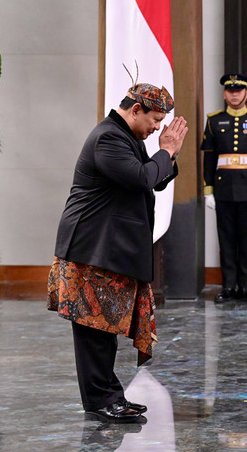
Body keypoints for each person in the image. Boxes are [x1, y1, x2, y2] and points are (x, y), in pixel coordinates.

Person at [47, 79, 188, 423]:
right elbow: (142, 178)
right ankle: (100, 400)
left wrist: (170, 153)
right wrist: (166, 150)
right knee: (94, 328)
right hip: (90, 249)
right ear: (136, 109)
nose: (157, 128)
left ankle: (110, 395)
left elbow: (152, 177)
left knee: (105, 327)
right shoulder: (109, 137)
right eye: (155, 120)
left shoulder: (126, 135)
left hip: (105, 248)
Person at [203, 73, 247, 303]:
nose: (234, 94)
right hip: (223, 190)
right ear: (225, 94)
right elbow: (209, 158)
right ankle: (228, 287)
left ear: (246, 94)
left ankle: (245, 287)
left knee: (246, 241)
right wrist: (208, 190)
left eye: (238, 90)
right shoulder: (214, 121)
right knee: (226, 240)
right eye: (230, 91)